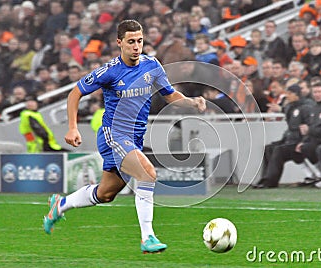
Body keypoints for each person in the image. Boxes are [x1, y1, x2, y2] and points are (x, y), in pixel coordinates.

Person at [43, 20, 206, 254]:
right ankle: (147, 237)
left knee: (106, 194)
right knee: (148, 173)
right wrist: (72, 127)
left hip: (134, 138)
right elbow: (75, 93)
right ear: (119, 43)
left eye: (140, 41)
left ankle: (61, 205)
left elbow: (169, 95)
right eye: (131, 42)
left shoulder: (152, 66)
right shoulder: (110, 71)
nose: (136, 46)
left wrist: (191, 102)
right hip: (113, 135)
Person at [254, 84, 313, 188]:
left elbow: (307, 127)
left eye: (290, 93)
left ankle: (271, 181)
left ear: (296, 95)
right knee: (268, 148)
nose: (287, 96)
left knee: (278, 150)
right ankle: (265, 178)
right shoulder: (290, 107)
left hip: (297, 142)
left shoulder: (306, 107)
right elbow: (290, 125)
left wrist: (303, 141)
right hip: (288, 140)